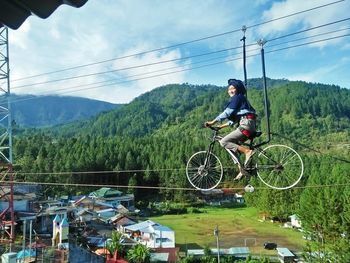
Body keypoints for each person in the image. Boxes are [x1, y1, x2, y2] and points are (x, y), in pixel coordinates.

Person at [205, 78, 257, 180]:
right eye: (229, 89)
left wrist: (212, 122)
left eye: (233, 88)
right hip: (249, 124)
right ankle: (242, 169)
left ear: (237, 89)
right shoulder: (240, 100)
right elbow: (232, 121)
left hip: (246, 124)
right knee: (230, 146)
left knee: (224, 141)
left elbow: (227, 113)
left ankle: (247, 152)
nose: (230, 91)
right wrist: (220, 126)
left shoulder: (237, 98)